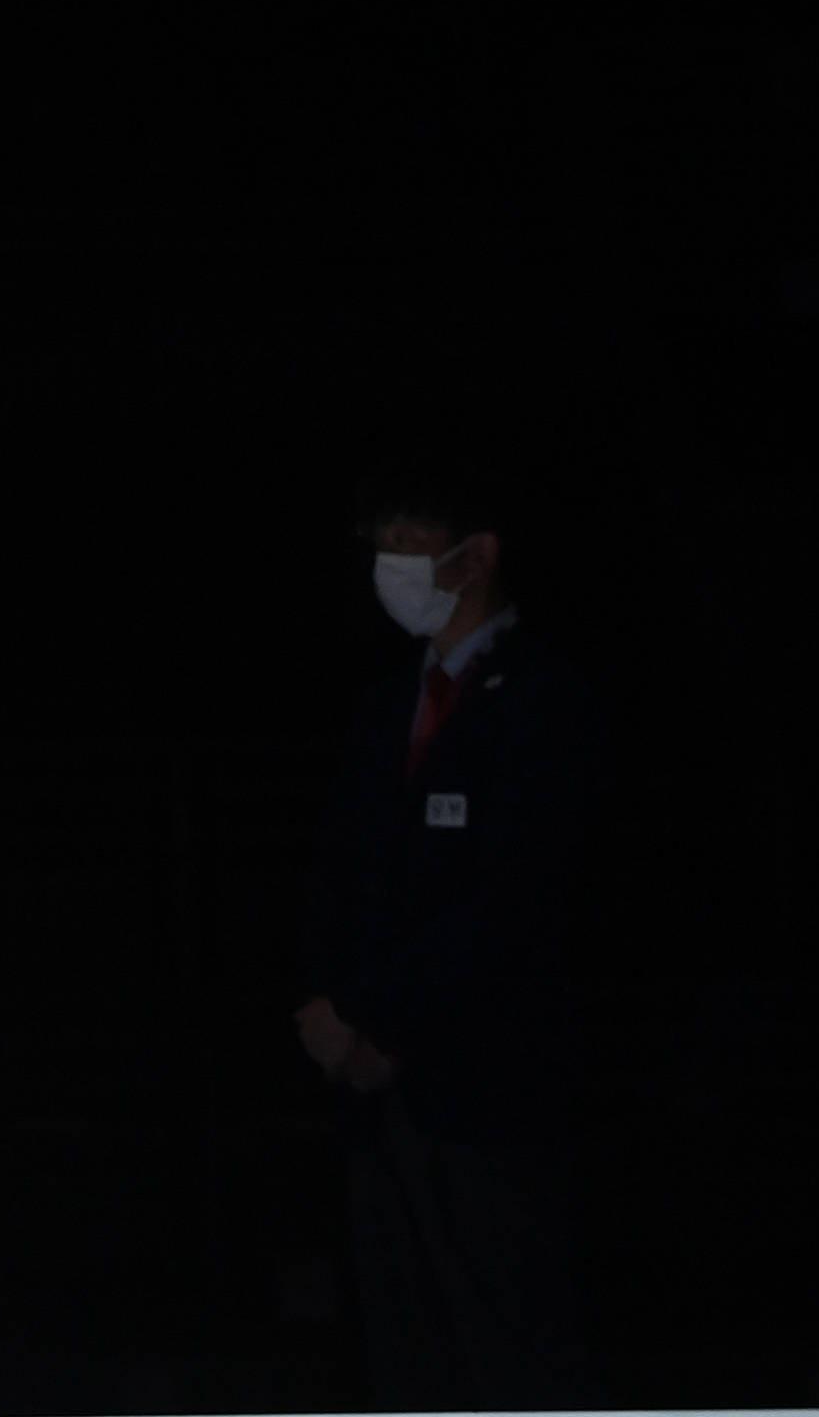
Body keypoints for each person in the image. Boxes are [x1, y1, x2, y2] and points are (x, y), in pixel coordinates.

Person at [298, 463, 596, 1410]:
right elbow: (343, 872)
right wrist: (329, 1006)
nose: (390, 570)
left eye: (411, 549)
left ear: (478, 555)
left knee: (508, 1346)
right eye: (380, 551)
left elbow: (513, 899)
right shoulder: (387, 704)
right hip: (375, 1098)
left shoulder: (546, 699)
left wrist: (381, 1019)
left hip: (490, 1089)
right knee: (401, 1351)